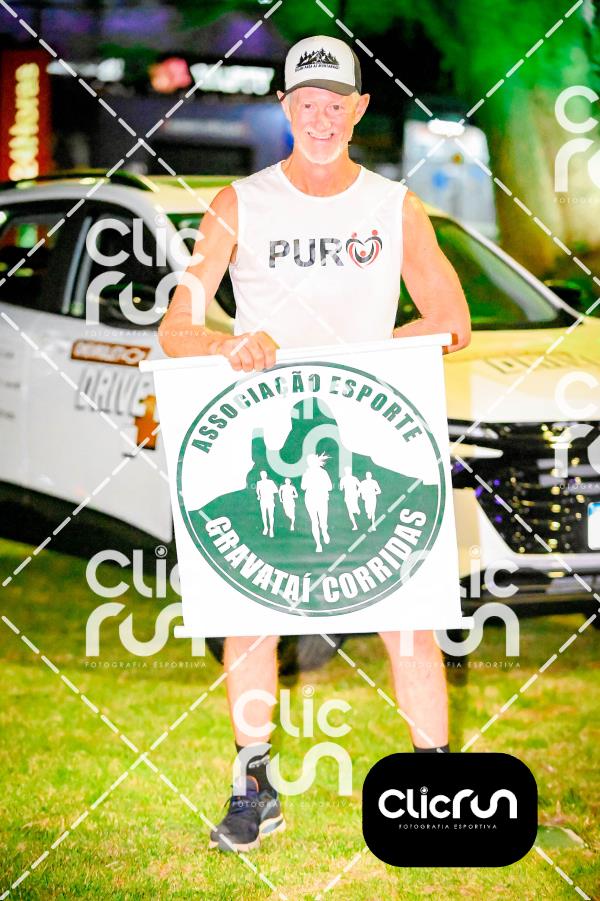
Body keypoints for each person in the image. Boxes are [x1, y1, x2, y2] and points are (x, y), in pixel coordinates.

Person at [159, 33, 471, 853]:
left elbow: (452, 320)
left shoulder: (394, 207)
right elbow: (175, 327)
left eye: (337, 103)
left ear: (359, 109)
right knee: (250, 616)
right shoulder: (236, 203)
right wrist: (227, 343)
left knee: (408, 615)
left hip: (369, 435)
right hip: (268, 440)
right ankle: (254, 791)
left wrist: (371, 354)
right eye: (307, 103)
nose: (322, 117)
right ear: (286, 107)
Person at [301, 452, 332, 552]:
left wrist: (320, 486)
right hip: (310, 499)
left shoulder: (323, 473)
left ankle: (324, 531)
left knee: (323, 522)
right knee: (314, 522)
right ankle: (318, 544)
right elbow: (303, 487)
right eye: (308, 462)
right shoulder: (306, 473)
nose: (310, 463)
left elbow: (330, 487)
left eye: (311, 461)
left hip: (321, 498)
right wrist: (307, 478)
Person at [256, 470, 278, 537]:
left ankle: (271, 529)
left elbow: (276, 490)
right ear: (260, 475)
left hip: (270, 500)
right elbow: (257, 490)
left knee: (271, 515)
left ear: (266, 475)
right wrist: (259, 495)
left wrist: (269, 491)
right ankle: (266, 528)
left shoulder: (270, 482)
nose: (263, 476)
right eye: (261, 474)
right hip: (263, 501)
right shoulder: (259, 483)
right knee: (264, 515)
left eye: (264, 474)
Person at [340, 465, 361, 530]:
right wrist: (358, 492)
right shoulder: (353, 478)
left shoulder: (344, 479)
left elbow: (341, 488)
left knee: (351, 510)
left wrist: (358, 492)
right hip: (351, 496)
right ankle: (355, 525)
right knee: (351, 510)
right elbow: (360, 486)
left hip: (351, 496)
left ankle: (355, 524)